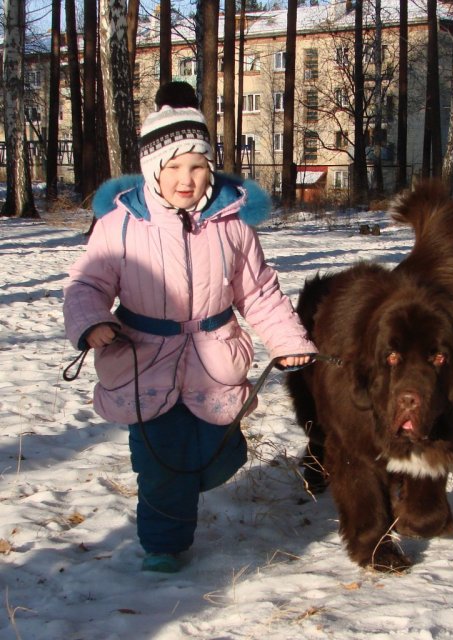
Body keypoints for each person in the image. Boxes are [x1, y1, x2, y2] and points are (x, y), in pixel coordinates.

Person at [63, 83, 316, 573]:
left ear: (211, 169)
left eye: (197, 166)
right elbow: (86, 284)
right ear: (152, 169)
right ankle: (164, 547)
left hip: (214, 359)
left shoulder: (232, 226)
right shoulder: (120, 225)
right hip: (142, 359)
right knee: (160, 466)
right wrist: (92, 321)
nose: (186, 178)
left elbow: (260, 293)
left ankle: (186, 484)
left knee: (221, 455)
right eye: (173, 167)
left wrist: (289, 342)